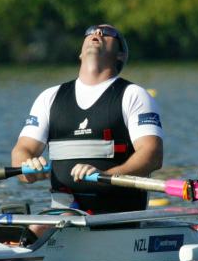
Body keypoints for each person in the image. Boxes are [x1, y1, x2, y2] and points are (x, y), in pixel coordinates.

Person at [11, 24, 164, 216]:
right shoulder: (49, 97)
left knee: (34, 234)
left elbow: (152, 155)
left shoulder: (133, 95)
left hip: (116, 217)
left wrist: (106, 175)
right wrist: (28, 168)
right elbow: (21, 151)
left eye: (109, 33)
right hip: (63, 212)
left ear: (120, 55)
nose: (97, 33)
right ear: (80, 53)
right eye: (91, 31)